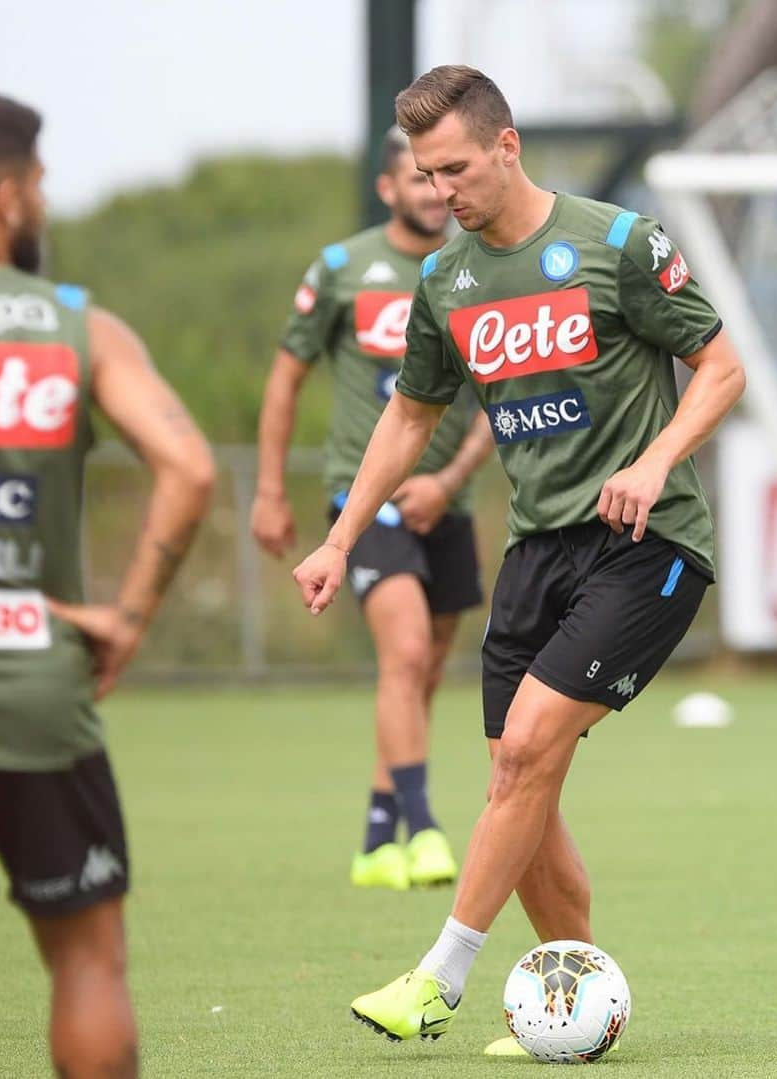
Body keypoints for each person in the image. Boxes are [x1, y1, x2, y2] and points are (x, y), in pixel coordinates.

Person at [292, 65, 745, 1054]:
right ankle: (576, 1005)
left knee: (529, 747)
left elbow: (722, 364)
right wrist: (336, 536)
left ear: (508, 145)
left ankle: (438, 974)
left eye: (454, 167)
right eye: (424, 172)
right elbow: (410, 413)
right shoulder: (445, 280)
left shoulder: (618, 243)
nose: (439, 190)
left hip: (647, 543)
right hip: (535, 554)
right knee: (519, 776)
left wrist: (657, 456)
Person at [0, 92, 215, 1077]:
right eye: (36, 184)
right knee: (86, 960)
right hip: (35, 672)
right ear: (3, 197)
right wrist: (126, 616)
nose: (41, 201)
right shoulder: (77, 329)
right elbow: (192, 468)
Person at [253, 126, 493, 892]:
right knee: (406, 649)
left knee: (424, 667)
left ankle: (374, 834)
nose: (434, 192)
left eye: (442, 178)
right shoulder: (342, 269)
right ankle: (423, 828)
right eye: (419, 179)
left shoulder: (478, 267)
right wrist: (265, 489)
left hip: (443, 499)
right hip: (367, 497)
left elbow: (503, 392)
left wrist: (449, 480)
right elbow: (285, 379)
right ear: (390, 188)